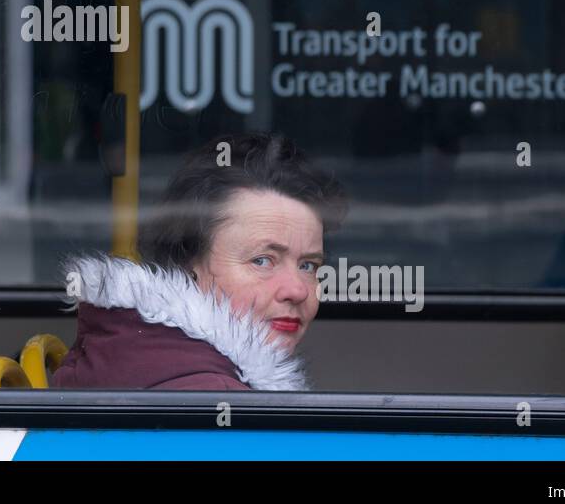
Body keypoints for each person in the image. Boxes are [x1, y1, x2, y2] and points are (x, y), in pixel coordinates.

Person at [51, 133, 346, 391]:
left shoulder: (138, 352)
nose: (298, 290)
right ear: (187, 262)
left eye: (308, 265)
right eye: (262, 260)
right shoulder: (211, 395)